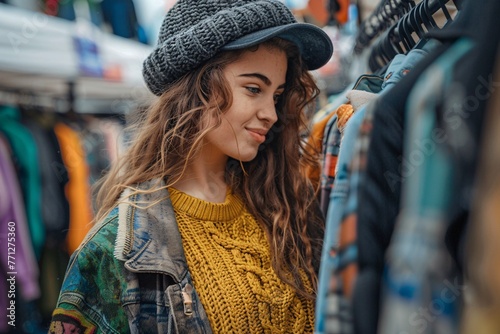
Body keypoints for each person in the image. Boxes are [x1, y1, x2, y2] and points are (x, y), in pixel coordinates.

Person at [48, 0, 333, 333]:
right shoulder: (117, 248)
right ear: (196, 86)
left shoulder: (287, 202)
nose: (271, 112)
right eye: (253, 89)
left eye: (276, 94)